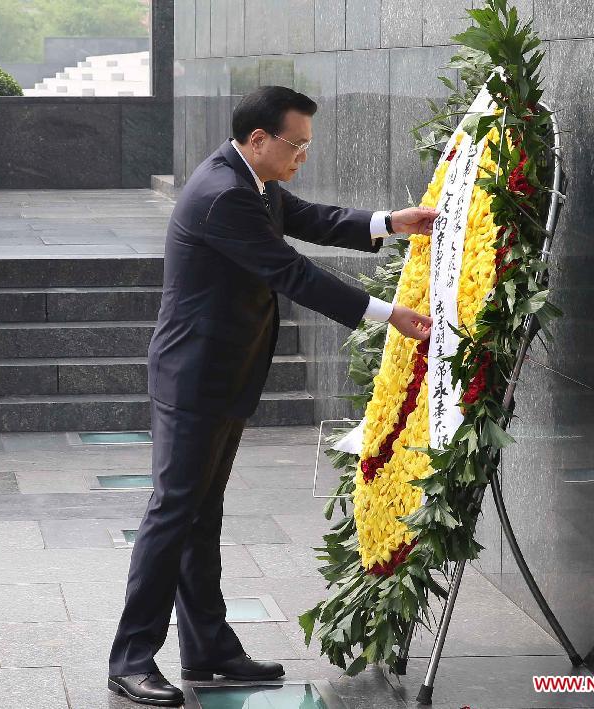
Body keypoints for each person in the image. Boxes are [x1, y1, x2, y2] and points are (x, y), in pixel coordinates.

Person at [108, 85, 436, 707]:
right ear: (258, 139)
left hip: (222, 374)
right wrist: (387, 312)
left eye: (307, 145)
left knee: (200, 515)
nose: (302, 156)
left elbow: (308, 218)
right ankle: (130, 658)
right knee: (173, 513)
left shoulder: (251, 179)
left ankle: (208, 648)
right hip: (194, 378)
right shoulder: (223, 194)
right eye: (297, 145)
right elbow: (291, 271)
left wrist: (390, 223)